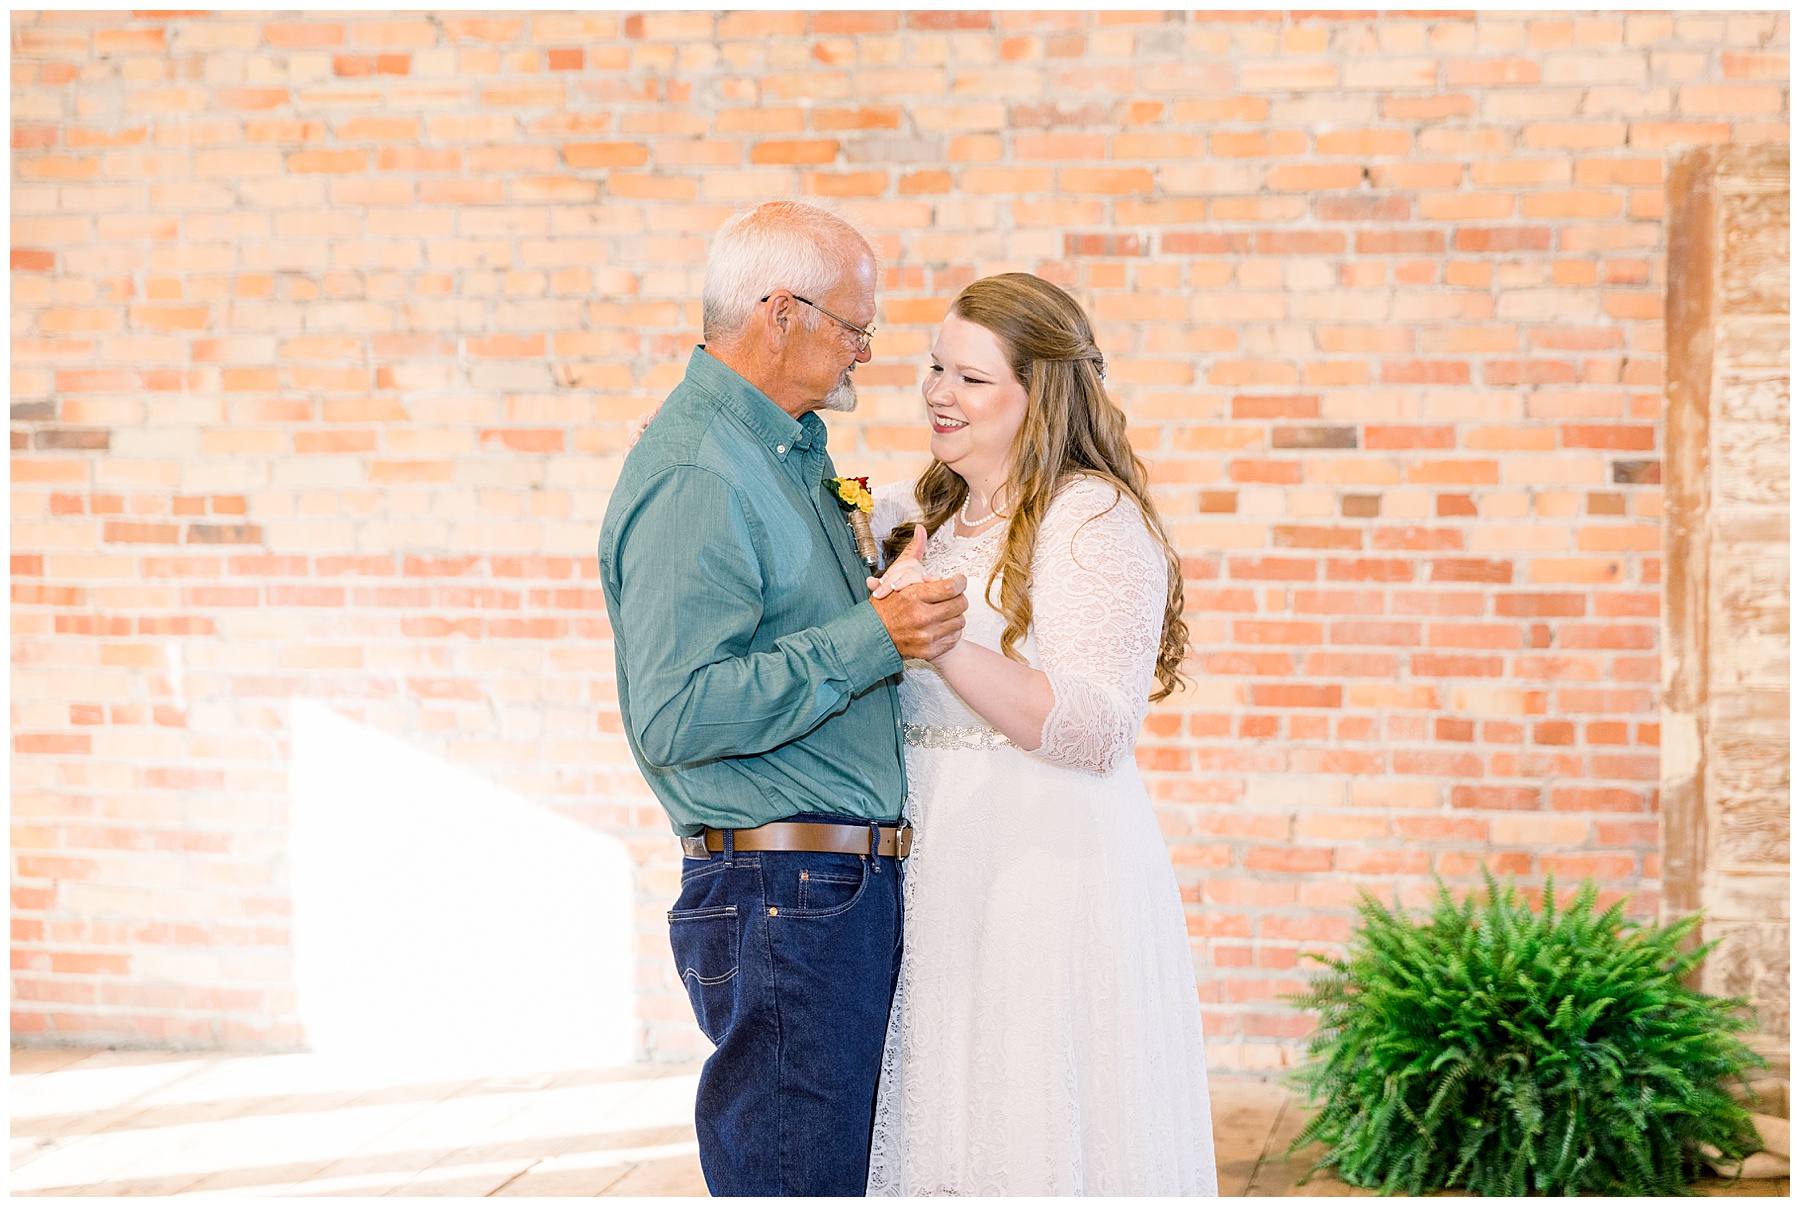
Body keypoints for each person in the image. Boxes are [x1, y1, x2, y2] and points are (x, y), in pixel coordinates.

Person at [596, 201, 969, 1197]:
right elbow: (677, 711)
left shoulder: (781, 451)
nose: (867, 349)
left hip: (819, 897)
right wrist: (871, 638)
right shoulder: (697, 474)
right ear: (781, 312)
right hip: (784, 899)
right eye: (855, 323)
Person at [862, 273, 1219, 1195]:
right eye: (936, 367)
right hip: (935, 858)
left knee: (1034, 1120)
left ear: (1040, 393)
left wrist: (934, 640)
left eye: (973, 379)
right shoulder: (919, 512)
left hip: (1044, 869)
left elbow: (1097, 725)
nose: (940, 393)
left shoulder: (1089, 517)